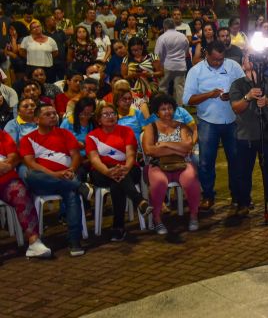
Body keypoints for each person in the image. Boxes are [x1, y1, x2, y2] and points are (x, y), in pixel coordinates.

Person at [19, 103, 92, 256]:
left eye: (54, 113)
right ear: (36, 119)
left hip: (67, 177)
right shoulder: (28, 139)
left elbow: (76, 156)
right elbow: (30, 163)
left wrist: (71, 170)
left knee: (71, 194)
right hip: (44, 181)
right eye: (48, 114)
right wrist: (55, 175)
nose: (53, 116)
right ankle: (78, 186)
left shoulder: (65, 133)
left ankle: (74, 240)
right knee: (30, 174)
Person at [183, 41, 244, 209]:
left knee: (236, 160)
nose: (218, 62)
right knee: (206, 162)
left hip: (232, 120)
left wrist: (231, 95)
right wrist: (209, 95)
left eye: (221, 59)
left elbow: (245, 88)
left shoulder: (233, 66)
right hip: (208, 122)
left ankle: (237, 196)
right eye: (215, 59)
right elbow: (187, 99)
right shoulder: (196, 71)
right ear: (206, 55)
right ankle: (208, 195)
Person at [229, 54, 268, 220]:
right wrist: (248, 97)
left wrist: (267, 101)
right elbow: (236, 108)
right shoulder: (238, 84)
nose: (251, 60)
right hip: (245, 135)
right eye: (247, 57)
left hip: (266, 134)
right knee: (243, 172)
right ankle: (243, 204)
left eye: (254, 57)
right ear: (242, 64)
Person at [86, 102, 152, 241]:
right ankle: (139, 201)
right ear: (99, 119)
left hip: (128, 169)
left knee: (118, 183)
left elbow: (130, 154)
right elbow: (94, 159)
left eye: (113, 113)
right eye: (106, 114)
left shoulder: (126, 131)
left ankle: (119, 227)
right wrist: (108, 171)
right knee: (117, 182)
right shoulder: (92, 136)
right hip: (101, 172)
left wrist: (126, 167)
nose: (110, 116)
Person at [142, 93, 201, 234]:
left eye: (169, 108)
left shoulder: (181, 126)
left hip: (182, 164)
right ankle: (157, 219)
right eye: (163, 109)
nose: (167, 111)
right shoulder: (151, 127)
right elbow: (150, 150)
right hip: (158, 165)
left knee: (192, 180)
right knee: (159, 183)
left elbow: (188, 147)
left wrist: (164, 145)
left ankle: (193, 216)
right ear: (157, 112)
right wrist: (176, 148)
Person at [0, 127, 52, 258]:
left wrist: (9, 163)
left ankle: (34, 242)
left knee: (20, 193)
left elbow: (14, 155)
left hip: (6, 178)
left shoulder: (2, 135)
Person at [155, 18, 190, 106]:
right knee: (179, 87)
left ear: (164, 27)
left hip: (167, 65)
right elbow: (186, 50)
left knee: (163, 87)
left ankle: (164, 106)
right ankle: (180, 108)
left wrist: (159, 66)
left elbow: (157, 54)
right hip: (181, 65)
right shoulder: (182, 36)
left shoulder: (162, 37)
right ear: (174, 26)